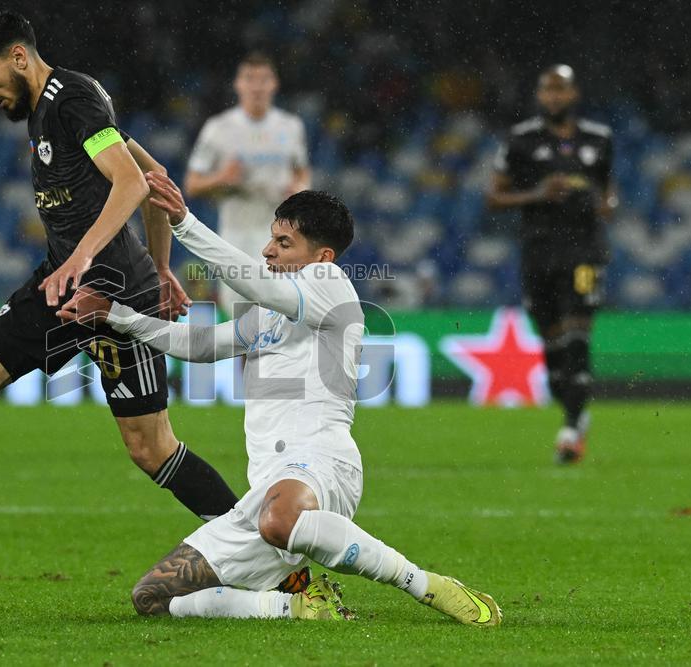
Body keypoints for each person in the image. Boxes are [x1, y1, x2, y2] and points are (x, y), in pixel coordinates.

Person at [0, 10, 239, 612]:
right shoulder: (49, 109)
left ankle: (260, 546)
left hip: (115, 291)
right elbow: (154, 175)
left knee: (151, 449)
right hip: (63, 287)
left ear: (19, 57)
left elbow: (130, 183)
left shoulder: (72, 99)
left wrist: (123, 266)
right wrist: (163, 264)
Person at [58, 173, 502, 625]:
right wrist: (117, 315)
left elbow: (256, 284)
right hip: (266, 491)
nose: (269, 250)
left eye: (284, 243)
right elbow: (202, 346)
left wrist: (186, 224)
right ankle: (294, 607)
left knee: (280, 520)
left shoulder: (329, 283)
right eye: (271, 239)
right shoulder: (271, 312)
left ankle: (426, 585)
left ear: (320, 256)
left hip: (322, 463)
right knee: (153, 597)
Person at [487, 64, 616, 464]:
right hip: (540, 251)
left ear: (574, 94)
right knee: (554, 351)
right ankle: (576, 412)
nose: (554, 97)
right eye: (547, 90)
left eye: (561, 90)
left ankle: (570, 431)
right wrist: (539, 194)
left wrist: (606, 204)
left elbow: (608, 188)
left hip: (584, 251)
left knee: (577, 338)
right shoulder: (521, 139)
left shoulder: (600, 138)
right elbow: (494, 197)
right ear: (540, 96)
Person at [184, 52, 311, 316]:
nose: (257, 86)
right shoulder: (218, 128)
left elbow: (301, 172)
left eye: (264, 79)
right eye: (250, 79)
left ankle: (276, 359)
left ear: (274, 84)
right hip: (236, 232)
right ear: (238, 84)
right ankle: (246, 359)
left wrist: (300, 190)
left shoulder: (291, 127)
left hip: (279, 233)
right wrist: (222, 178)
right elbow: (192, 184)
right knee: (241, 317)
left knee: (278, 313)